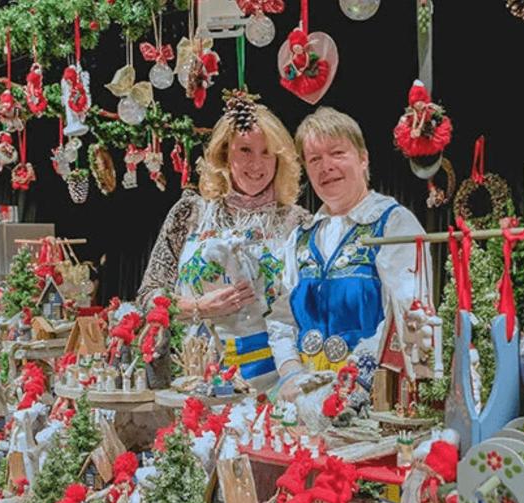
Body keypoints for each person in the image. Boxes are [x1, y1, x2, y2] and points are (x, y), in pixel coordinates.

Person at [137, 94, 309, 388]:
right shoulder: (189, 213)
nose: (257, 163)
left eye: (267, 152)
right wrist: (196, 307)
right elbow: (148, 295)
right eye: (245, 150)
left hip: (275, 386)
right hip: (194, 378)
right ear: (224, 153)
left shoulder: (299, 224)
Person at [268, 107, 433, 402]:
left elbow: (407, 317)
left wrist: (354, 379)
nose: (325, 166)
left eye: (337, 153)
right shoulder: (300, 237)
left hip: (373, 395)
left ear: (363, 158)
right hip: (305, 398)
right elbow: (282, 319)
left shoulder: (394, 224)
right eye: (315, 159)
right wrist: (292, 374)